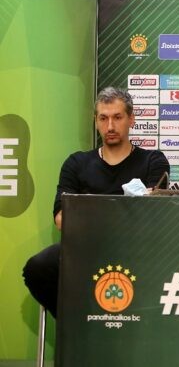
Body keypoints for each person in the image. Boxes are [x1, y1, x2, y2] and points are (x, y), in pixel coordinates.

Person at [22, 87, 169, 317]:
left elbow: (152, 215)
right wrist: (124, 210)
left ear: (131, 119)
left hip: (139, 250)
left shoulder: (153, 160)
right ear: (96, 121)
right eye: (103, 118)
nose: (110, 126)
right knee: (37, 267)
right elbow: (61, 220)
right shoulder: (76, 163)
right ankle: (78, 323)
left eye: (117, 117)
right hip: (86, 249)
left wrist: (90, 212)